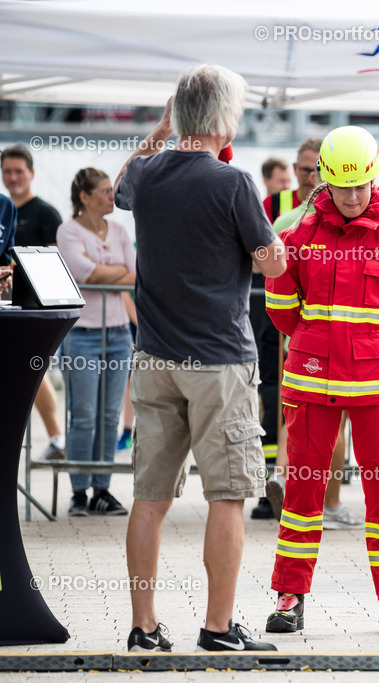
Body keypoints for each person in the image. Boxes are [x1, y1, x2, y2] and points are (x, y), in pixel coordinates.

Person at [115, 64, 286, 653]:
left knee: (150, 496)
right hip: (218, 360)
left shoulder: (149, 171)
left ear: (178, 114)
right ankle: (217, 628)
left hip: (155, 355)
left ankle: (143, 626)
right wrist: (276, 242)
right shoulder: (233, 182)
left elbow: (122, 187)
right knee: (229, 495)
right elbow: (271, 263)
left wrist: (159, 132)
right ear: (223, 118)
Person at [264, 126, 379, 636]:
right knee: (302, 495)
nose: (354, 197)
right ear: (325, 183)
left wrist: (364, 350)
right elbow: (281, 312)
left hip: (377, 390)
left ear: (374, 177)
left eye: (362, 186)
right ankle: (290, 597)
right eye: (343, 187)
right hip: (314, 385)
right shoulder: (296, 238)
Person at [251, 138, 324, 521]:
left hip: (312, 328)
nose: (310, 177)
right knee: (272, 399)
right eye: (303, 169)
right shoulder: (277, 208)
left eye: (316, 169)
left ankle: (305, 488)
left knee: (305, 407)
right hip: (275, 321)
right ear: (294, 169)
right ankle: (268, 489)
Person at [57, 168, 136, 517]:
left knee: (108, 416)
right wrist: (115, 271)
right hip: (82, 335)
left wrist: (109, 272)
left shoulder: (119, 230)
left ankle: (101, 489)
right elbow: (82, 273)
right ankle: (78, 492)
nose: (111, 197)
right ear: (85, 197)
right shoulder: (68, 231)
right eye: (105, 191)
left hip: (118, 333)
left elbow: (135, 275)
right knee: (83, 416)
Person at [2, 144, 66, 464]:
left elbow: (56, 266)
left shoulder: (46, 214)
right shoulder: (1, 210)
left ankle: (57, 438)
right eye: (7, 172)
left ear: (32, 174)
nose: (13, 178)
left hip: (35, 315)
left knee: (33, 373)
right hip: (4, 310)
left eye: (19, 171)